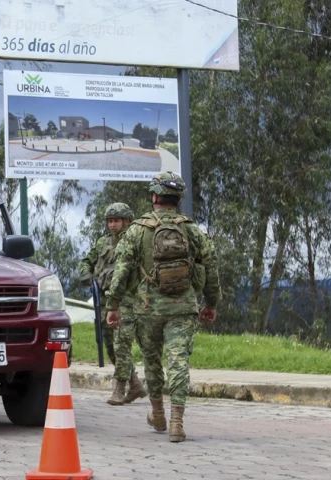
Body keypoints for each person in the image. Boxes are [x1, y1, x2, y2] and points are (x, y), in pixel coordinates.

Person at [105, 172, 221, 442]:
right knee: (179, 361)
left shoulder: (137, 229)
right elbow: (211, 268)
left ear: (154, 196)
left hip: (147, 308)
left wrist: (113, 305)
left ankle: (158, 414)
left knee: (152, 361)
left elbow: (121, 271)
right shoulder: (191, 229)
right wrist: (211, 303)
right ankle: (177, 423)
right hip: (183, 307)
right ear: (177, 199)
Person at [77, 202, 147, 406]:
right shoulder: (102, 243)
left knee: (121, 344)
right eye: (110, 221)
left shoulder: (134, 243)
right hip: (105, 302)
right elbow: (85, 262)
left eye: (116, 221)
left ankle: (120, 387)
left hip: (127, 301)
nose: (112, 225)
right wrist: (87, 277)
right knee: (110, 346)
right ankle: (135, 385)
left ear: (127, 221)